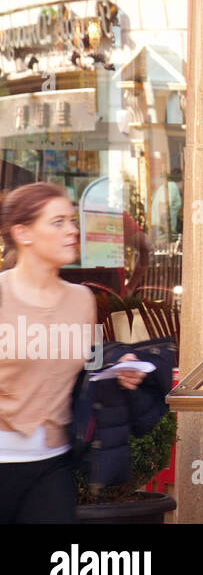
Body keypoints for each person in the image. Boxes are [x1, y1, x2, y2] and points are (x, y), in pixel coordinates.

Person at [0, 183, 145, 524]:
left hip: (52, 465)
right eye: (58, 222)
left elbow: (89, 365)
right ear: (23, 233)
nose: (72, 230)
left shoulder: (82, 300)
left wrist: (118, 365)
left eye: (72, 220)